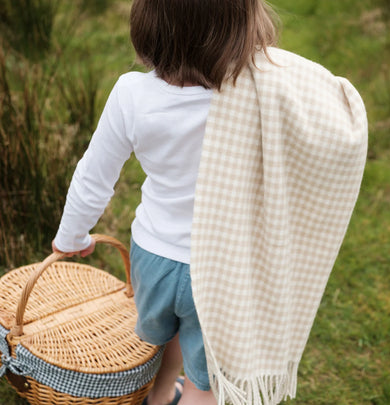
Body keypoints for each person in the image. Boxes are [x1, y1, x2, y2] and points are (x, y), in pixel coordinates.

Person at [53, 1, 368, 405]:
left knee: (159, 341)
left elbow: (93, 177)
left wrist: (71, 236)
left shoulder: (130, 94)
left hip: (153, 258)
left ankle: (161, 394)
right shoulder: (252, 96)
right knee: (206, 381)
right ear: (241, 28)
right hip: (220, 271)